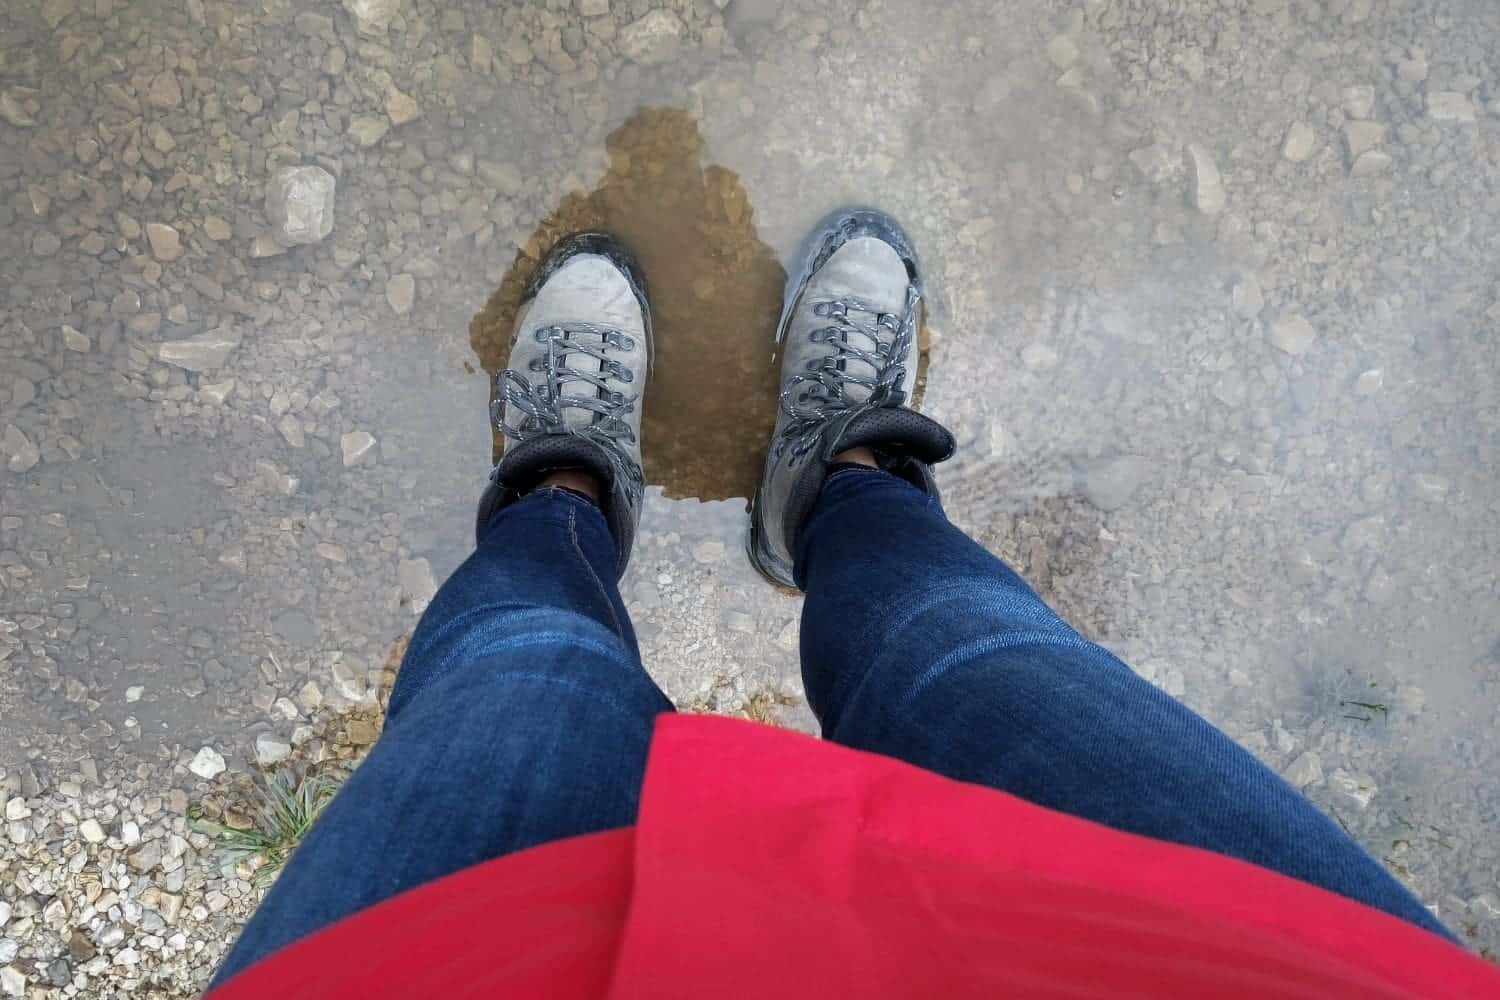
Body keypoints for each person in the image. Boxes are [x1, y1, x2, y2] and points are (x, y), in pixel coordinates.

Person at [207, 210, 1495, 997]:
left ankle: (564, 498)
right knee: (981, 664)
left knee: (520, 679)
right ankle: (845, 479)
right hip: (1222, 967)